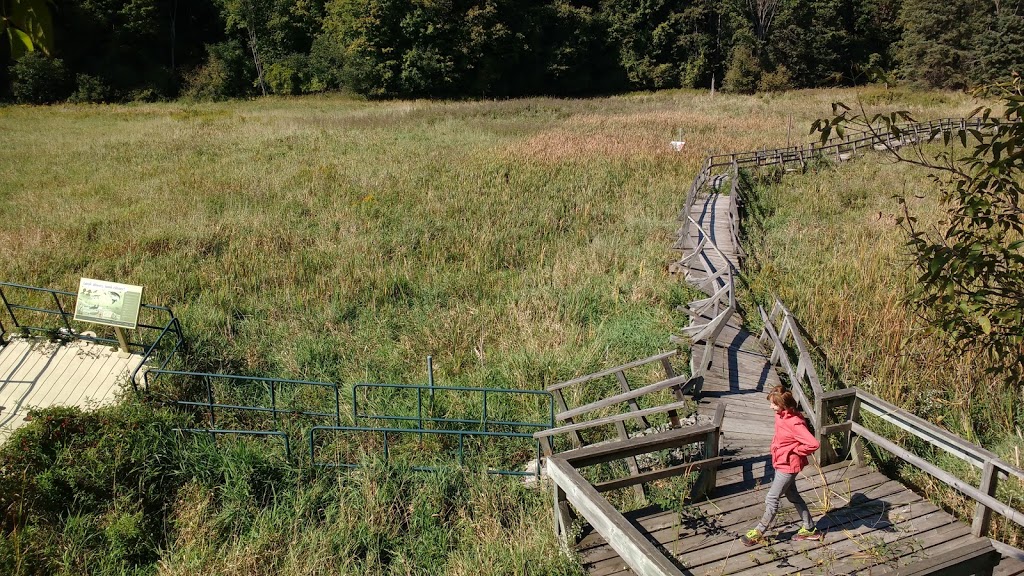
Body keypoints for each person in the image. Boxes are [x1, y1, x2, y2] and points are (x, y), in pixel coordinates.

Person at [741, 385, 823, 545]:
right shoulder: (781, 415)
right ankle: (810, 528)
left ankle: (758, 532)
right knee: (793, 496)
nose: (770, 406)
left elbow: (813, 444)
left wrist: (795, 449)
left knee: (772, 498)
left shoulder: (795, 423)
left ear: (783, 405)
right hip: (780, 462)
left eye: (773, 404)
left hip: (788, 466)